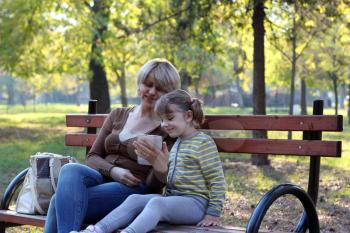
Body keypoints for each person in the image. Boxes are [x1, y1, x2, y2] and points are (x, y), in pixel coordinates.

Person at [43, 58, 181, 233]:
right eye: (148, 84)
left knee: (57, 202)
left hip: (133, 190)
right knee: (70, 170)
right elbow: (92, 157)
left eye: (160, 88)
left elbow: (152, 187)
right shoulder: (118, 114)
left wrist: (161, 170)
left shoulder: (166, 129)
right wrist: (114, 171)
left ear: (169, 94)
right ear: (139, 85)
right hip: (102, 178)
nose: (152, 91)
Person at [72, 89, 226, 233]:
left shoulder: (203, 143)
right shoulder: (177, 142)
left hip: (196, 204)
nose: (164, 125)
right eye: (163, 120)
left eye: (170, 118)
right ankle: (96, 230)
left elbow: (217, 180)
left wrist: (213, 213)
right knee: (135, 199)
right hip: (173, 199)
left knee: (156, 204)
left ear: (188, 116)